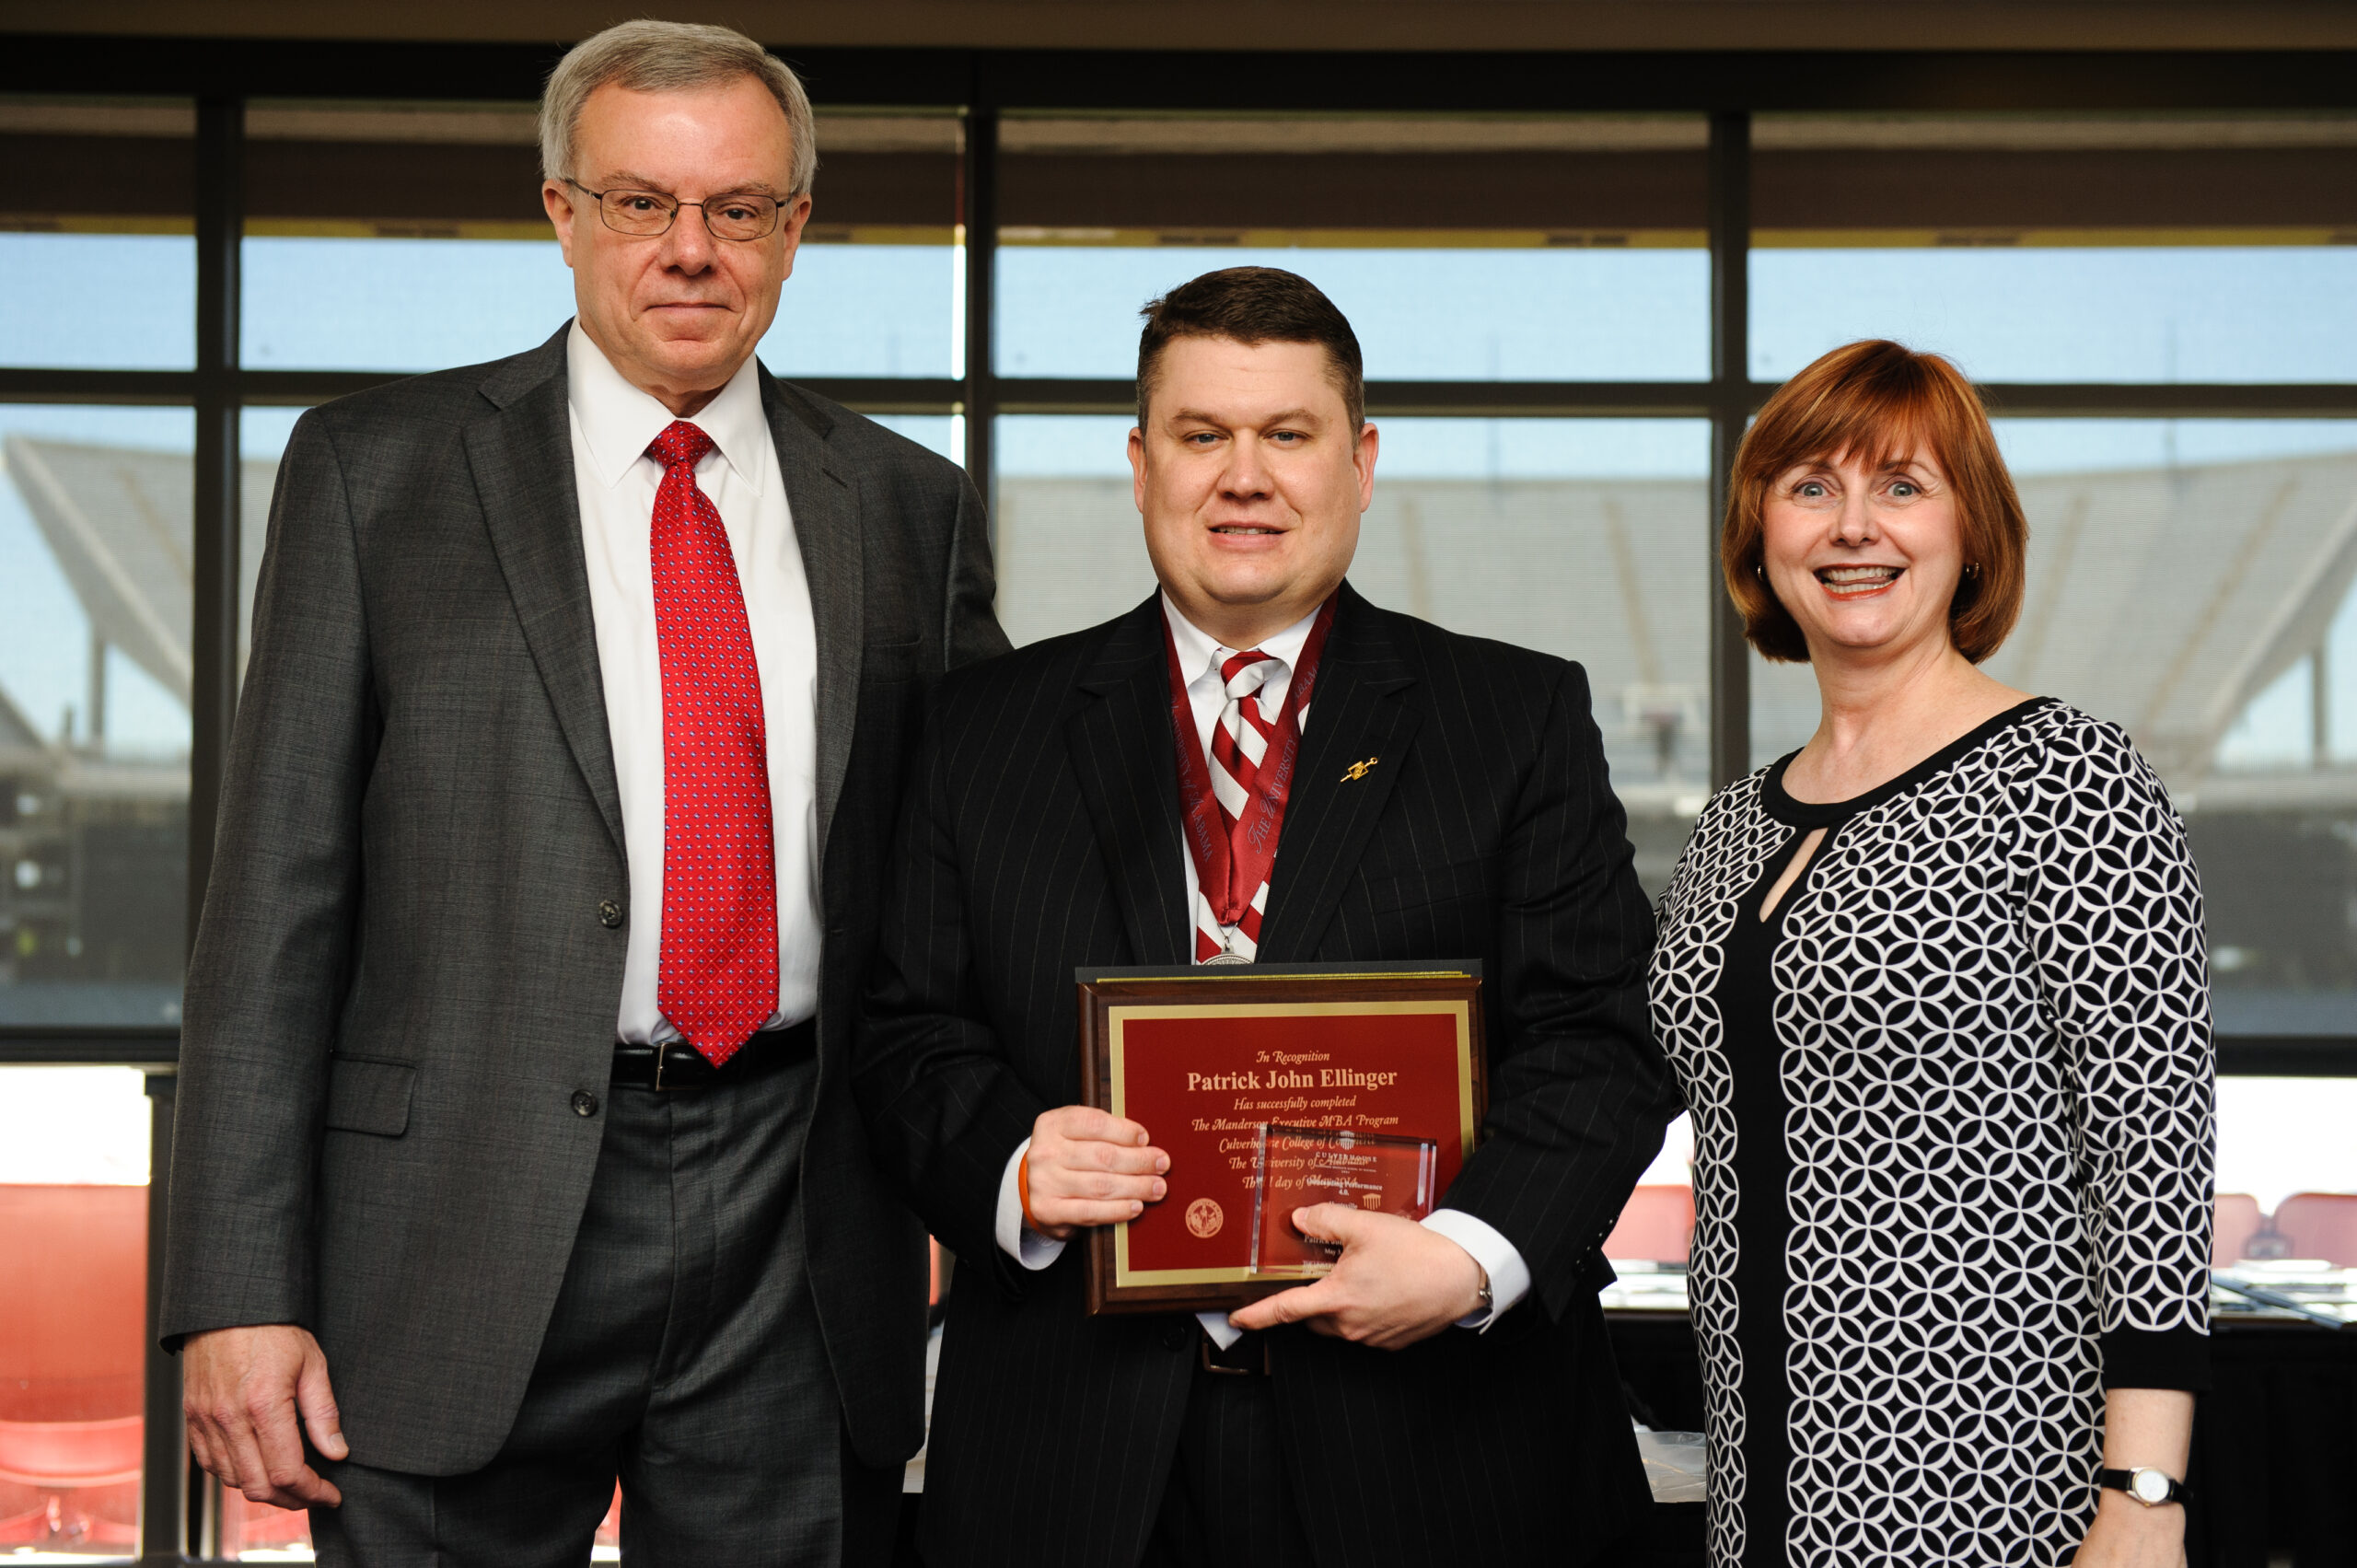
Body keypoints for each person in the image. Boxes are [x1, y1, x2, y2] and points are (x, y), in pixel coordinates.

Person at [159, 19, 1006, 1565]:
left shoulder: (906, 506)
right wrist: (234, 1289)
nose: (692, 249)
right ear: (561, 211)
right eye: (639, 203)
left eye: (739, 209)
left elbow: (986, 861)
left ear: (796, 229)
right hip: (451, 1224)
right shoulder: (374, 474)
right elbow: (275, 906)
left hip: (798, 1210)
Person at [854, 266, 1680, 1568]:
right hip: (1076, 1454)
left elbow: (1600, 1037)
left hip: (1439, 1446)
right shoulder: (982, 734)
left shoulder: (1511, 721)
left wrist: (1469, 1257)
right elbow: (905, 1032)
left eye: (1287, 435)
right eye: (1203, 436)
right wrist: (1010, 1160)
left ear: (1359, 462)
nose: (1246, 477)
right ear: (1141, 465)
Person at [1650, 339, 2212, 1567]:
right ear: (1760, 534)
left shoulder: (2069, 777)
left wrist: (2146, 1493)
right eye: (1810, 486)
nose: (1855, 527)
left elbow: (2153, 1147)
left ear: (1971, 530)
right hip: (1766, 1478)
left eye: (1902, 486)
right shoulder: (1729, 828)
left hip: (2001, 1479)